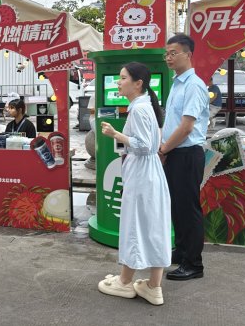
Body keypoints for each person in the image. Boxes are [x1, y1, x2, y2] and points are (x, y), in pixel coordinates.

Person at [99, 62, 171, 306]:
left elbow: (144, 146)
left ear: (138, 83)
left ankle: (124, 282)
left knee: (134, 225)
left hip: (142, 174)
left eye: (123, 78)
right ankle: (153, 286)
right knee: (154, 226)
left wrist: (115, 134)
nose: (118, 82)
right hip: (149, 173)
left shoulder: (139, 109)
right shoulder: (145, 106)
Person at [158, 34, 209, 281]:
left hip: (187, 153)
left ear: (188, 55)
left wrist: (164, 149)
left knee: (188, 209)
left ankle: (194, 264)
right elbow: (172, 122)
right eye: (166, 54)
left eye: (173, 53)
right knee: (177, 207)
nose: (168, 58)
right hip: (175, 152)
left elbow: (187, 127)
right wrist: (165, 148)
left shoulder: (194, 85)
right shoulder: (177, 84)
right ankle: (181, 252)